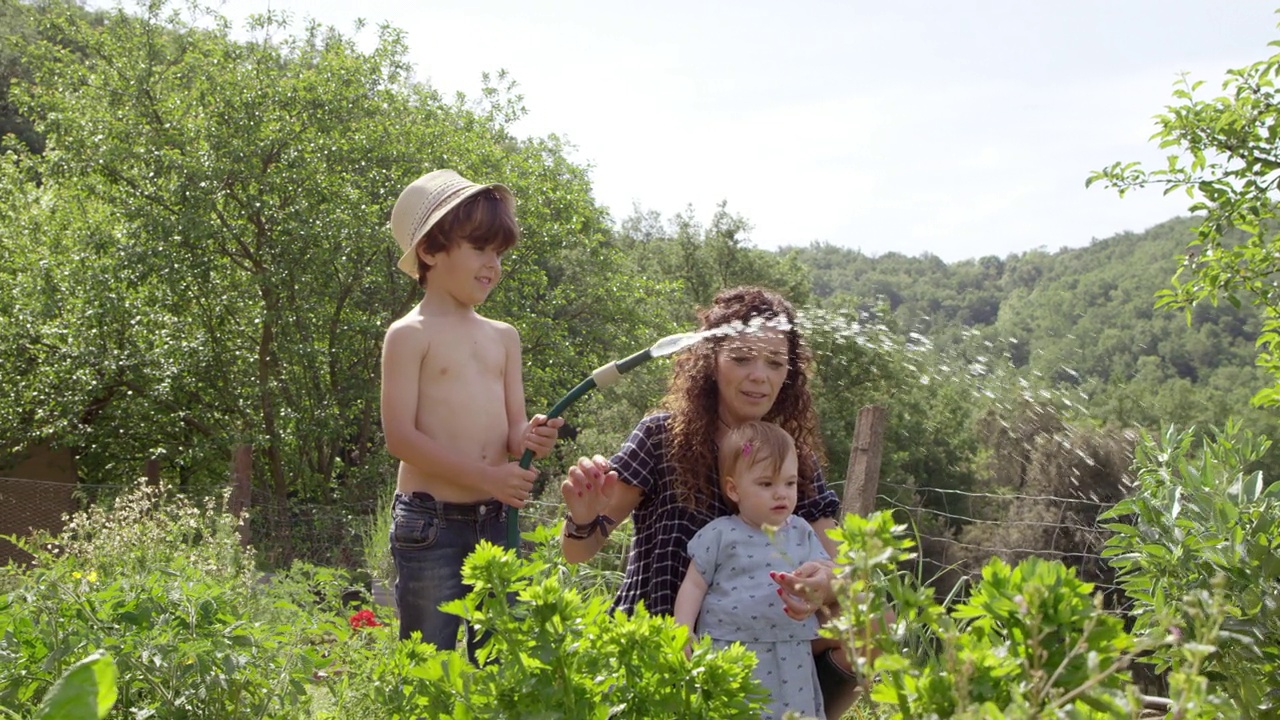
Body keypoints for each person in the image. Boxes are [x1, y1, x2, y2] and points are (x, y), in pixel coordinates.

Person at [559, 286, 861, 715]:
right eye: (741, 358)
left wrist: (827, 582)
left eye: (775, 363)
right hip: (664, 640)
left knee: (874, 627)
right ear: (711, 361)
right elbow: (577, 552)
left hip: (760, 646)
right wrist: (584, 519)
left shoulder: (792, 458)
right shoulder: (661, 437)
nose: (760, 375)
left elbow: (849, 568)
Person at [381, 169, 562, 659]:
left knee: (501, 662)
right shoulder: (410, 334)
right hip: (430, 524)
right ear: (429, 251)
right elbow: (400, 438)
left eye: (499, 253)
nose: (493, 264)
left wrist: (532, 438)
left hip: (496, 519)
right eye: (480, 248)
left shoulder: (504, 335)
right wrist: (488, 475)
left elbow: (512, 435)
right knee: (429, 665)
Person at [674, 421, 832, 720]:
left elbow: (822, 572)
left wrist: (812, 587)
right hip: (728, 649)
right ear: (734, 489)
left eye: (789, 483)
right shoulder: (720, 534)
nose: (781, 494)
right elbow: (694, 585)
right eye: (766, 484)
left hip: (790, 651)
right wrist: (683, 630)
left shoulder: (801, 532)